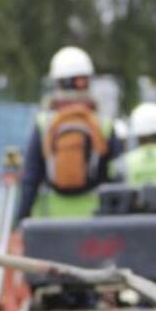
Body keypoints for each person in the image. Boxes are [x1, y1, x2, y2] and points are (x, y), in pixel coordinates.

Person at [14, 46, 123, 223]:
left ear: (57, 82)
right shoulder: (104, 125)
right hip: (95, 222)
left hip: (50, 222)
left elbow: (30, 179)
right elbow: (118, 180)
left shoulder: (44, 124)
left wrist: (21, 219)